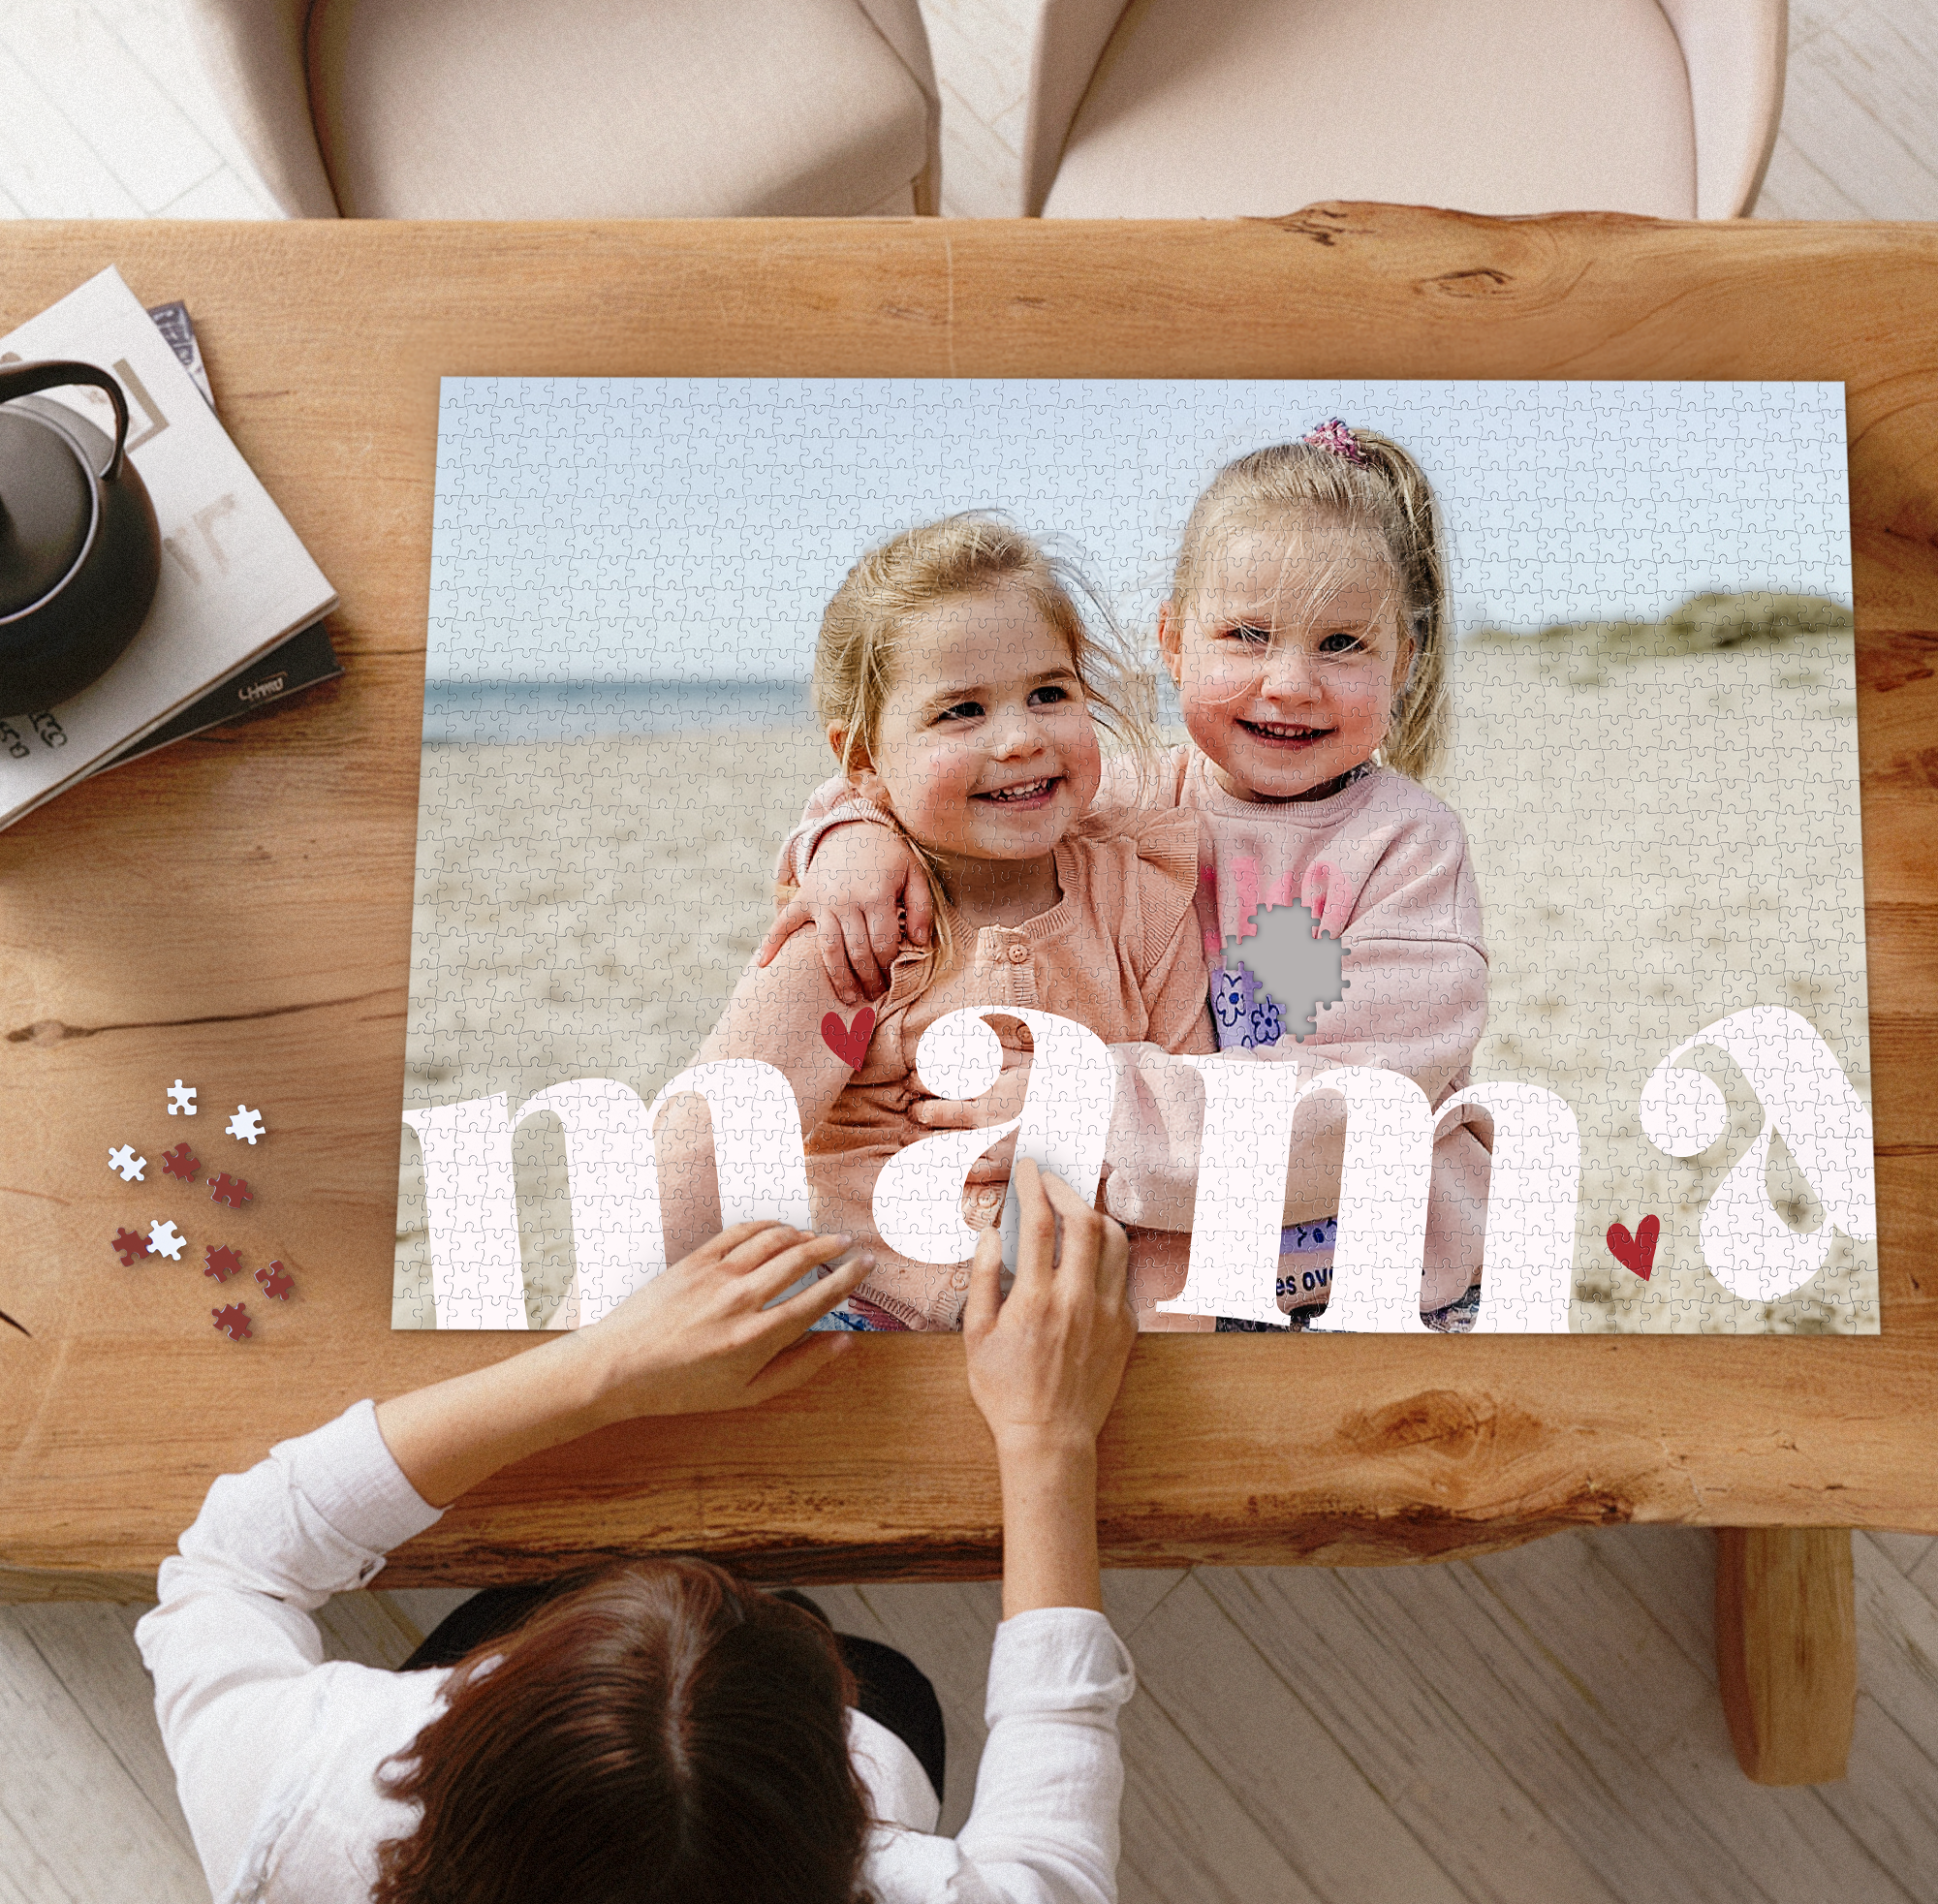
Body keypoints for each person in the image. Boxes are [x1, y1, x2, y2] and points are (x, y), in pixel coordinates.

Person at [137, 1160, 1141, 1904]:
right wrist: (1048, 1439)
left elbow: (228, 1567)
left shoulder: (286, 1806)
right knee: (894, 1694)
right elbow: (1052, 1866)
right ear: (851, 1842)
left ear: (449, 1752)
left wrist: (603, 1365)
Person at [761, 422, 1491, 1330]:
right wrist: (851, 836)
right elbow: (939, 790)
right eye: (1247, 635)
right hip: (1167, 1258)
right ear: (1173, 643)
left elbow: (1368, 1103)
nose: (1291, 682)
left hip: (1372, 1265)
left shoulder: (1408, 846)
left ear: (1403, 662)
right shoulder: (1131, 796)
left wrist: (1080, 1114)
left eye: (1342, 644)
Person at [648, 512, 1214, 1334]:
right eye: (961, 711)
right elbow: (707, 1147)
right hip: (865, 1315)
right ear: (864, 762)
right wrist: (574, 1358)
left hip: (1070, 1336)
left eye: (1050, 693)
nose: (1019, 738)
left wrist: (1169, 1362)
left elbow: (1186, 1161)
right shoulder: (858, 927)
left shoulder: (1143, 905)